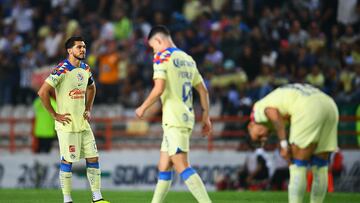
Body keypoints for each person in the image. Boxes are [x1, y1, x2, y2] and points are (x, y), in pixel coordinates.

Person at [135, 25, 212, 203]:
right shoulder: (187, 59)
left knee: (181, 164)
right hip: (184, 117)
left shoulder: (162, 56)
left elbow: (159, 87)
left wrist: (143, 107)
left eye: (153, 46)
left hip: (174, 119)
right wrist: (206, 116)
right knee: (164, 165)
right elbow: (203, 91)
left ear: (159, 41)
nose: (153, 50)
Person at [37, 36, 109, 203]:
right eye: (78, 47)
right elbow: (42, 92)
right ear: (69, 50)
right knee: (67, 160)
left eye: (84, 47)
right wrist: (54, 114)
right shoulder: (61, 69)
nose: (82, 49)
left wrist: (88, 108)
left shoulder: (85, 68)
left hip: (83, 124)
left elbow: (92, 87)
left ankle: (97, 198)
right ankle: (67, 199)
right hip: (67, 125)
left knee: (93, 158)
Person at [247, 83, 339, 203]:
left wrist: (284, 144)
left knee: (298, 166)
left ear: (250, 125)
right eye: (263, 139)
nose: (264, 137)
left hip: (307, 107)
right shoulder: (274, 103)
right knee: (320, 166)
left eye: (258, 137)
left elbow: (273, 113)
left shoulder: (257, 111)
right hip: (329, 105)